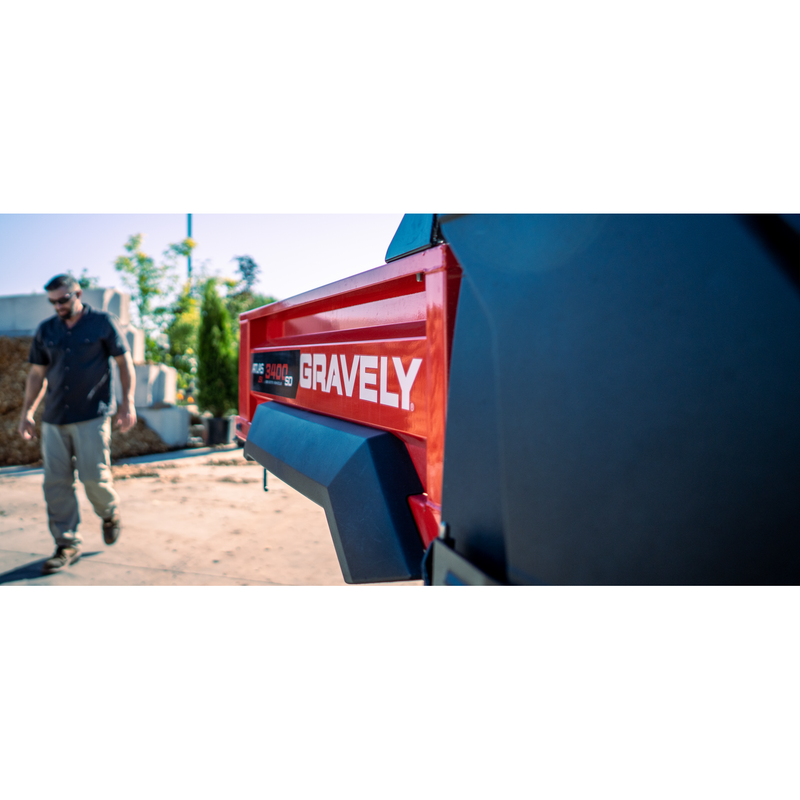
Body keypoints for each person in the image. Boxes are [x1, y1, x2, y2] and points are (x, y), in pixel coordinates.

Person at [18, 274, 137, 575]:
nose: (58, 306)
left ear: (78, 294)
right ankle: (66, 543)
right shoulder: (46, 330)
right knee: (55, 483)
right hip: (54, 418)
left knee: (93, 478)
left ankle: (109, 513)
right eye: (53, 302)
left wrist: (128, 403)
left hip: (92, 415)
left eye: (63, 299)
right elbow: (37, 374)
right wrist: (27, 412)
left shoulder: (102, 323)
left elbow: (124, 363)